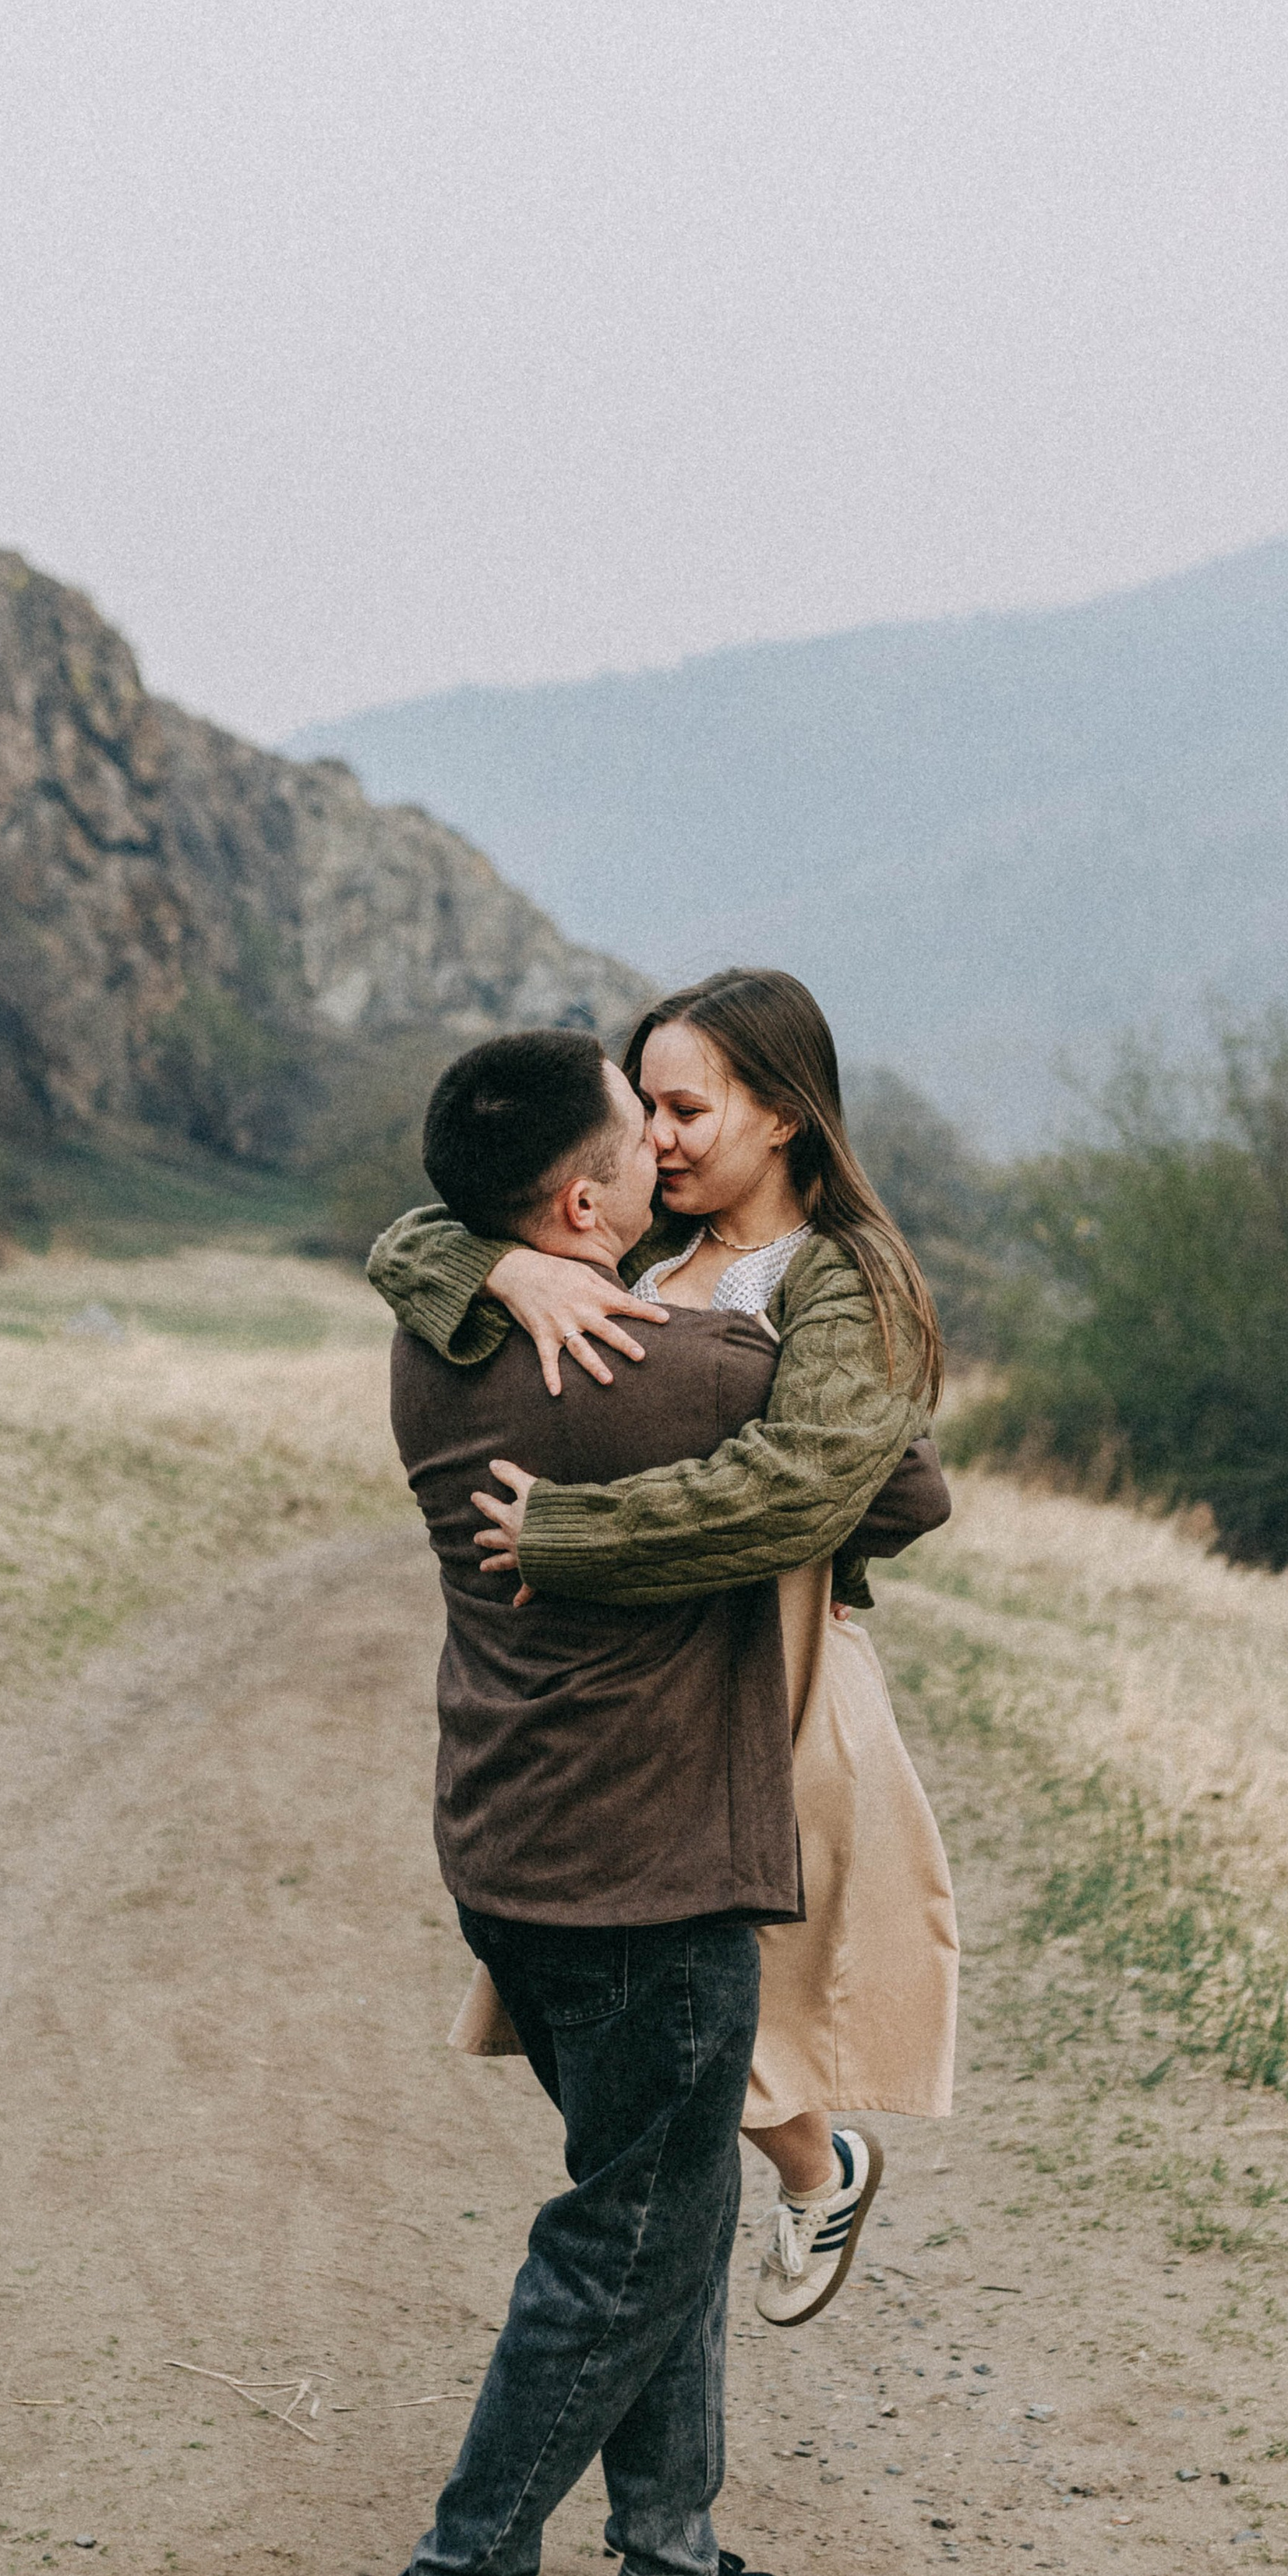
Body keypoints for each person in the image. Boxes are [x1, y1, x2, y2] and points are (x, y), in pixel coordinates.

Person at [369, 967, 958, 2336]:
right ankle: (729, 2255)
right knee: (658, 2025)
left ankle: (811, 2174)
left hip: (780, 1665)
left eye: (689, 1110)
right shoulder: (633, 1252)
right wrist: (498, 1261)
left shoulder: (840, 1276)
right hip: (644, 1679)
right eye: (647, 1111)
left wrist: (572, 1534)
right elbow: (421, 1233)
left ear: (785, 1115)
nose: (660, 1137)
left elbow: (824, 1485)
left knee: (716, 1990)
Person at [367, 1027, 798, 2576]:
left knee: (663, 2200)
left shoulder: (433, 1337)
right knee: (626, 2241)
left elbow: (421, 1245)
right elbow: (901, 1482)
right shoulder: (686, 1369)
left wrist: (481, 1262)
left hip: (509, 1854)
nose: (663, 1151)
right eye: (640, 1135)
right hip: (646, 1879)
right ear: (580, 1205)